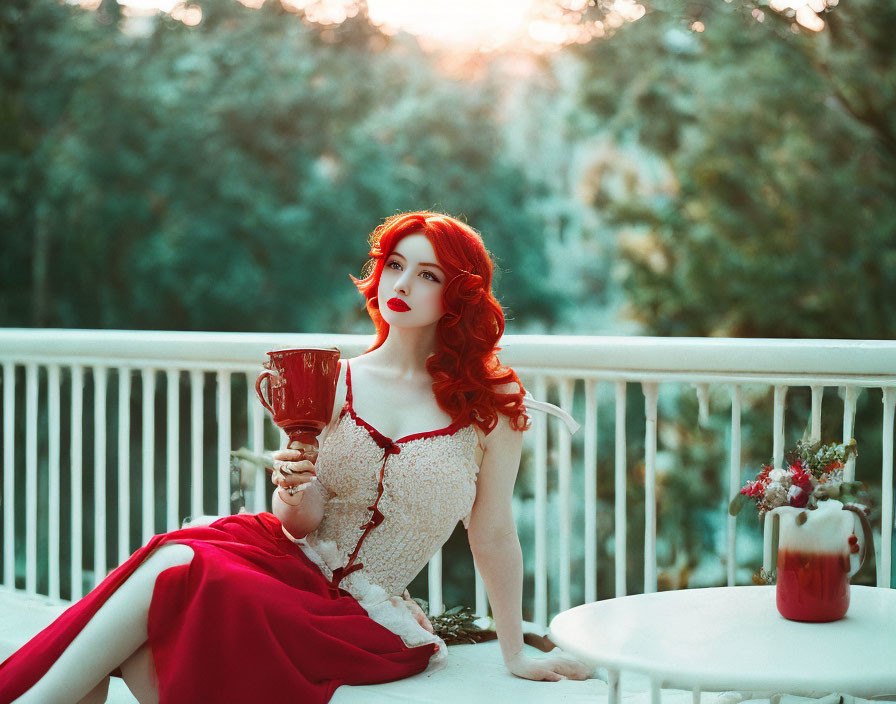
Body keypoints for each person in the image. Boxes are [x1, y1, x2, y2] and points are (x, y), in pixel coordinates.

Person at [0, 211, 591, 704]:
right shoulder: (333, 380)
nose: (402, 285)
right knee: (174, 561)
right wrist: (292, 486)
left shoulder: (492, 405)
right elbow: (302, 521)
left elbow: (492, 532)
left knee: (167, 608)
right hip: (286, 562)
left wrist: (514, 650)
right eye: (395, 264)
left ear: (457, 294)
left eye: (427, 274)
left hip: (363, 616)